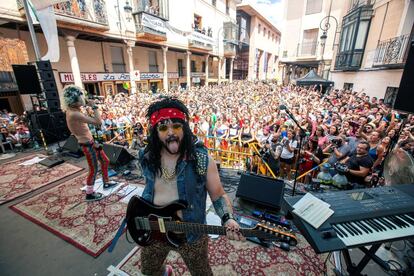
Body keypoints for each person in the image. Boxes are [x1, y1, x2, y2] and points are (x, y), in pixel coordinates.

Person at [138, 97, 244, 275]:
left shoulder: (202, 160)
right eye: (163, 127)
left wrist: (228, 218)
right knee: (149, 270)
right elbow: (149, 187)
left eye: (176, 126)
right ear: (155, 132)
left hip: (191, 234)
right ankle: (166, 272)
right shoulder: (147, 156)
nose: (171, 132)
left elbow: (218, 195)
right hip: (154, 228)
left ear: (185, 129)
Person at [63, 85, 117, 201]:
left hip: (91, 142)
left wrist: (86, 102)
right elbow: (98, 122)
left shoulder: (73, 110)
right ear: (75, 100)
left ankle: (106, 181)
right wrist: (94, 106)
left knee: (105, 161)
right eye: (81, 98)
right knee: (93, 169)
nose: (83, 99)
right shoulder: (74, 114)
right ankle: (89, 193)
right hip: (87, 145)